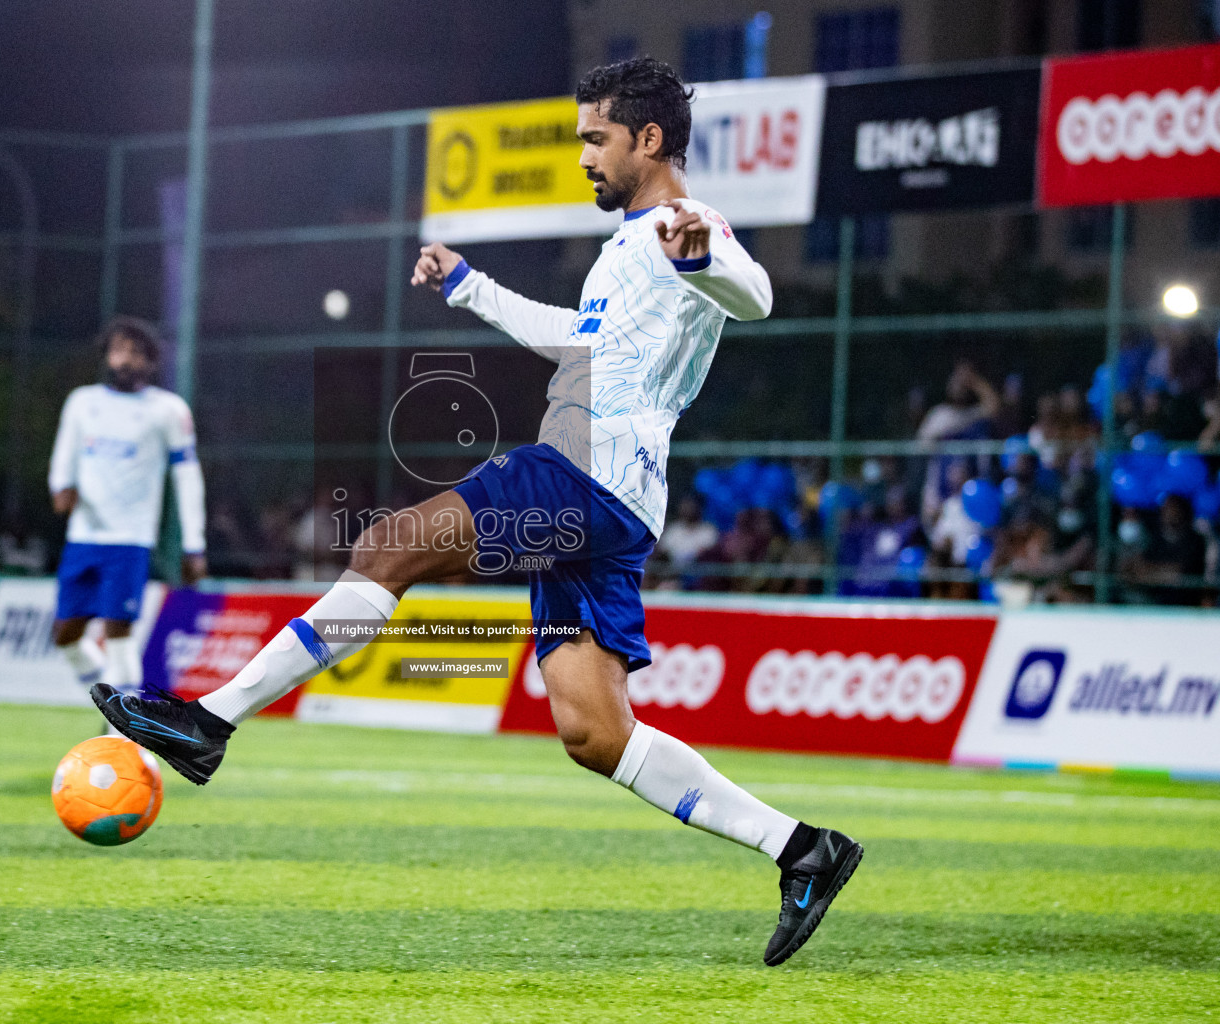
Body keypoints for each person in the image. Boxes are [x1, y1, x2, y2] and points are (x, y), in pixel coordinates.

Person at [89, 57, 861, 968]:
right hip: (622, 498)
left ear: (649, 140)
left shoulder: (680, 229)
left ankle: (209, 721)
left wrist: (706, 256)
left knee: (385, 551)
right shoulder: (630, 245)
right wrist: (471, 287)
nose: (583, 156)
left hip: (580, 473)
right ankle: (804, 850)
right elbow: (577, 345)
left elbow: (756, 295)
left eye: (595, 138)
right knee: (592, 731)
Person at [48, 316, 207, 696]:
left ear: (151, 362)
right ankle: (113, 700)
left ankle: (124, 723)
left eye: (135, 353)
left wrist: (194, 544)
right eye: (118, 350)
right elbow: (64, 457)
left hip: (130, 538)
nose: (124, 360)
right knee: (66, 634)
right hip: (83, 535)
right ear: (107, 356)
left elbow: (187, 477)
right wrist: (61, 487)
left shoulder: (167, 410)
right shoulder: (82, 402)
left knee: (118, 628)